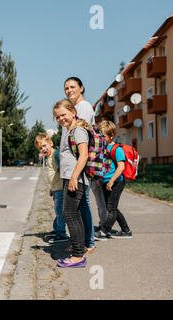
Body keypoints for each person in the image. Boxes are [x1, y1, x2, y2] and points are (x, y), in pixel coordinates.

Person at [63, 77, 106, 251]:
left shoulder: (84, 107)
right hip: (73, 165)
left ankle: (88, 242)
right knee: (79, 206)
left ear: (81, 88)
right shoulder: (74, 108)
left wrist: (75, 170)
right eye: (66, 88)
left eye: (72, 87)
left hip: (80, 165)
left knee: (82, 205)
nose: (69, 90)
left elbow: (81, 132)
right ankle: (81, 241)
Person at [53, 99, 89, 268]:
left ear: (73, 112)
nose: (61, 119)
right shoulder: (68, 131)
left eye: (63, 115)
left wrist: (74, 177)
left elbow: (84, 156)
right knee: (75, 215)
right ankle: (79, 249)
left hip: (76, 179)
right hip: (71, 178)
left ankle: (77, 257)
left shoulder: (78, 131)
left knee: (69, 214)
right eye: (57, 117)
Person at [95, 120, 133, 240]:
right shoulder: (102, 149)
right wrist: (100, 179)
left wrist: (111, 181)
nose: (100, 139)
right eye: (99, 136)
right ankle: (126, 230)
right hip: (106, 182)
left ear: (111, 136)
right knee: (112, 208)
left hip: (116, 182)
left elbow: (121, 167)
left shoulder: (117, 149)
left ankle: (104, 231)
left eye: (103, 136)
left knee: (111, 209)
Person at [35, 133, 69, 244]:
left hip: (60, 188)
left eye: (45, 145)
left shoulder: (56, 155)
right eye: (40, 148)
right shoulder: (49, 157)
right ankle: (57, 229)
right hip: (55, 188)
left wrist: (65, 187)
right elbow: (53, 174)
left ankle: (62, 234)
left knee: (60, 212)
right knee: (57, 210)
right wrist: (51, 188)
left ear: (51, 143)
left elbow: (62, 170)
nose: (43, 149)